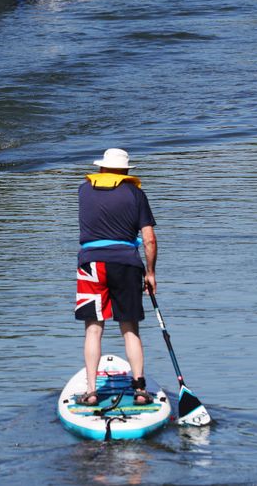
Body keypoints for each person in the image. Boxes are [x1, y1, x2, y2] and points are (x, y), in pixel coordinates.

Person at [74, 148, 158, 406]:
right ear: (124, 172)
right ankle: (140, 390)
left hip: (91, 264)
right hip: (126, 264)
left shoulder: (83, 190)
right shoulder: (136, 193)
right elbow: (149, 240)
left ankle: (90, 392)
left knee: (93, 329)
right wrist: (151, 273)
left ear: (102, 169)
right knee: (129, 328)